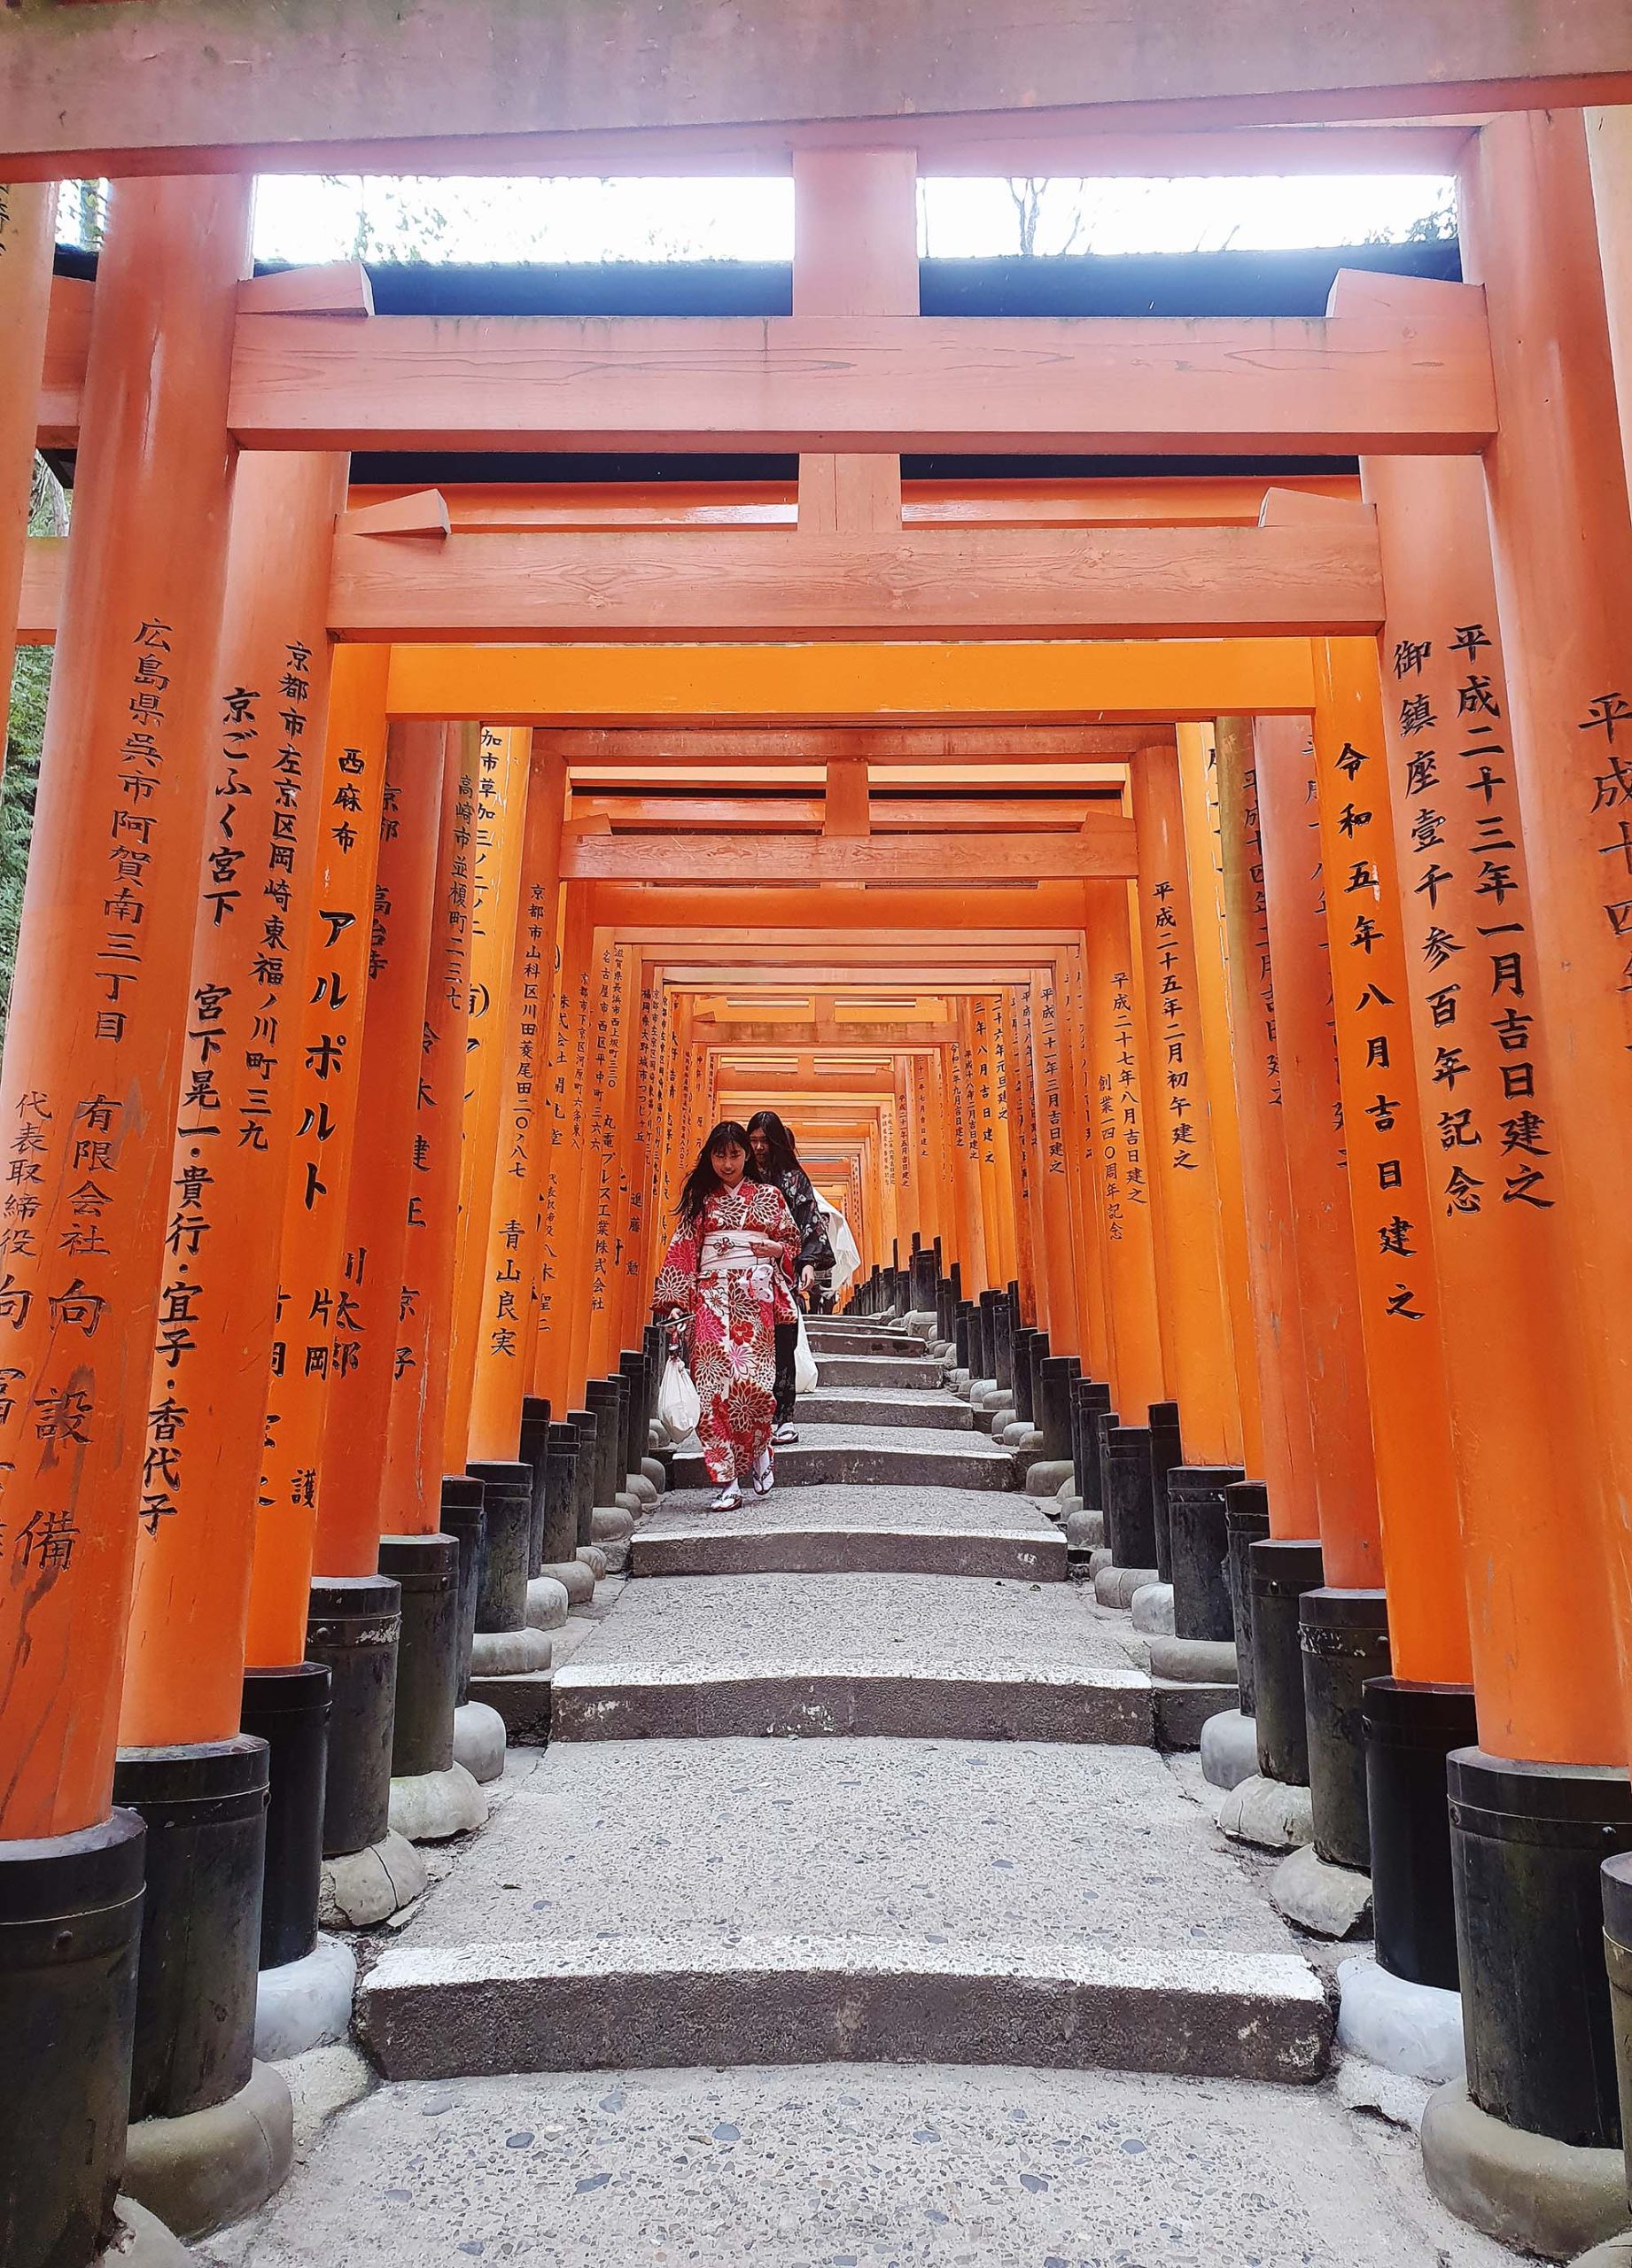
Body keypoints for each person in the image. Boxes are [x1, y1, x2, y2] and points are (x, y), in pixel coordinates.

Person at [654, 1120, 801, 1512]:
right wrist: (676, 1304)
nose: (727, 1163)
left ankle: (760, 1447)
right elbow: (684, 1250)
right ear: (710, 1157)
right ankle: (727, 1480)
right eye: (720, 1154)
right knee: (713, 1389)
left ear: (747, 1155)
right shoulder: (701, 1201)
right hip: (710, 1300)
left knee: (753, 1386)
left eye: (735, 1154)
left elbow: (791, 1242)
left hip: (754, 1298)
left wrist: (773, 1249)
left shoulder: (769, 1196)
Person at [747, 1109, 835, 1445]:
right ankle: (754, 1414)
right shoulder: (740, 1176)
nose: (758, 1148)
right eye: (752, 1140)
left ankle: (784, 1416)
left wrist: (808, 1263)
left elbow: (810, 1221)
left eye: (764, 1141)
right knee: (749, 1346)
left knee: (784, 1344)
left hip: (782, 1273)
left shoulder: (795, 1180)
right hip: (744, 1274)